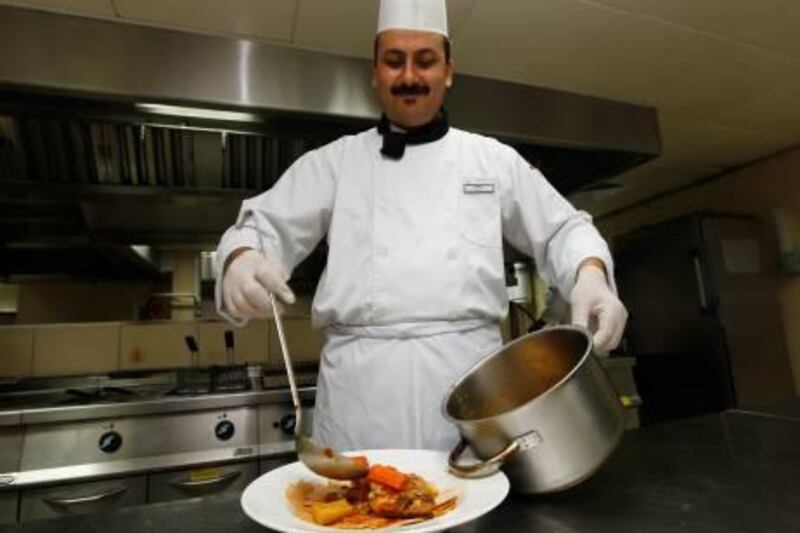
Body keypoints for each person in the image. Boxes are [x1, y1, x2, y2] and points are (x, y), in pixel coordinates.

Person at [215, 0, 627, 452]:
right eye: (394, 61)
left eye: (425, 61)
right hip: (361, 404)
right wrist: (241, 259)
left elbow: (564, 229)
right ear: (375, 72)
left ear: (448, 71)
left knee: (473, 516)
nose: (409, 76)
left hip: (473, 396)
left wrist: (591, 276)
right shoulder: (334, 164)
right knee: (363, 518)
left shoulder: (491, 161)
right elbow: (258, 229)